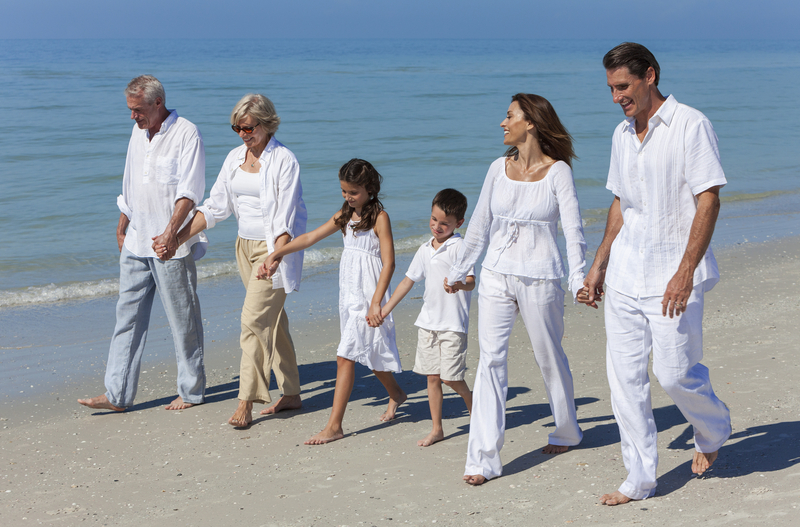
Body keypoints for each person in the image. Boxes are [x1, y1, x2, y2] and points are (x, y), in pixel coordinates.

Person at [578, 42, 732, 505]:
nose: (616, 97)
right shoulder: (621, 135)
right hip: (626, 272)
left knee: (674, 373)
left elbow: (709, 198)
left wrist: (685, 272)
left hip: (671, 272)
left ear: (650, 75)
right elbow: (621, 203)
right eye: (610, 88)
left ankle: (713, 427)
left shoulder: (691, 124)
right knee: (624, 380)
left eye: (622, 86)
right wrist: (600, 263)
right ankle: (639, 478)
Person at [447, 94, 587, 485]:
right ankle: (482, 459)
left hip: (541, 275)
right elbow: (479, 223)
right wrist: (462, 268)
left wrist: (578, 280)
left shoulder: (558, 172)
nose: (503, 122)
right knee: (490, 360)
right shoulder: (497, 167)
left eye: (510, 116)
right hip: (495, 273)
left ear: (532, 123)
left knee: (548, 355)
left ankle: (566, 429)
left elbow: (573, 232)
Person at [164, 94, 307, 427]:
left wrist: (275, 257)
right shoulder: (233, 158)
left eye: (248, 127)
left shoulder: (284, 160)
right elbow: (216, 207)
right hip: (244, 248)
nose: (242, 134)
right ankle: (292, 392)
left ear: (266, 123)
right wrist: (176, 237)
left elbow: (286, 219)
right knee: (272, 319)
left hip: (274, 249)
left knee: (252, 322)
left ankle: (246, 401)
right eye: (236, 128)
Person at [78, 75, 206, 412]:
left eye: (137, 110)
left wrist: (170, 233)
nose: (132, 116)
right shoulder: (137, 134)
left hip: (170, 245)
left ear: (157, 104)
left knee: (183, 318)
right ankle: (117, 395)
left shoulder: (186, 133)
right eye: (131, 110)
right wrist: (121, 226)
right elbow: (130, 184)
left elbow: (189, 193)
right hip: (136, 241)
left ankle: (191, 390)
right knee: (127, 318)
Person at [258, 158, 407, 445]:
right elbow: (311, 237)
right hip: (349, 292)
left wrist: (377, 302)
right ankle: (397, 394)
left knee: (346, 355)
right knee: (366, 351)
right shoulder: (344, 215)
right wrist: (278, 254)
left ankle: (334, 426)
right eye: (344, 191)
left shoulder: (380, 218)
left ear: (370, 189)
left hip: (369, 293)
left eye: (354, 192)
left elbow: (389, 264)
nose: (348, 197)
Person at [380, 189, 475, 447]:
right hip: (428, 323)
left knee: (451, 377)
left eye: (444, 223)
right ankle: (437, 429)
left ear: (458, 223)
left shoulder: (460, 247)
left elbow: (470, 282)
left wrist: (458, 285)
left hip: (453, 323)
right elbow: (408, 281)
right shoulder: (424, 249)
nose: (437, 226)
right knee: (432, 378)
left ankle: (474, 404)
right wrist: (385, 308)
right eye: (434, 219)